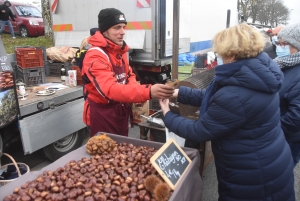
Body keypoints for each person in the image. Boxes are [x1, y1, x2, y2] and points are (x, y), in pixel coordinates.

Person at [159, 23, 295, 200]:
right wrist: (180, 93)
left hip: (253, 176)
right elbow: (213, 96)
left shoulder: (237, 92)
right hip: (267, 160)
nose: (218, 56)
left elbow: (199, 130)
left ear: (231, 55)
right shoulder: (254, 72)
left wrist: (167, 114)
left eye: (220, 52)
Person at [81, 8, 174, 137]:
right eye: (117, 27)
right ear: (105, 30)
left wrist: (137, 93)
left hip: (120, 112)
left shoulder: (120, 51)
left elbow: (129, 75)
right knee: (104, 155)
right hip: (102, 115)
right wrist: (147, 92)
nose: (122, 32)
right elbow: (110, 90)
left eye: (124, 27)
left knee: (122, 152)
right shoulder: (95, 56)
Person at [274, 23, 300, 167]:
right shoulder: (283, 65)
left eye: (285, 44)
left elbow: (297, 116)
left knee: (281, 172)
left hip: (288, 138)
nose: (280, 47)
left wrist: (271, 129)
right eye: (279, 43)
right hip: (279, 134)